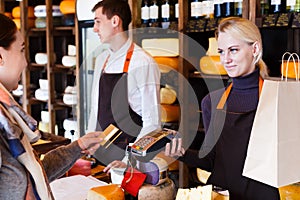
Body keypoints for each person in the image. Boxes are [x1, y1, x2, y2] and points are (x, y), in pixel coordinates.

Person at [165, 17, 280, 199]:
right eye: (221, 51)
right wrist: (182, 153)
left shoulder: (277, 99)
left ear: (255, 49)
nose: (226, 59)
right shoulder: (212, 102)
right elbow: (213, 160)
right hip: (222, 195)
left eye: (233, 50)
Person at [0, 13, 103, 200]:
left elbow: (35, 176)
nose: (25, 62)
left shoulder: (9, 121)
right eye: (21, 50)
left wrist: (78, 147)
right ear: (0, 57)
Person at [88, 0, 161, 170]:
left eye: (98, 21)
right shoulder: (101, 60)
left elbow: (153, 123)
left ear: (115, 21)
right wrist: (88, 144)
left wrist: (129, 161)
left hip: (126, 164)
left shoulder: (143, 62)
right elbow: (96, 109)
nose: (94, 28)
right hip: (99, 159)